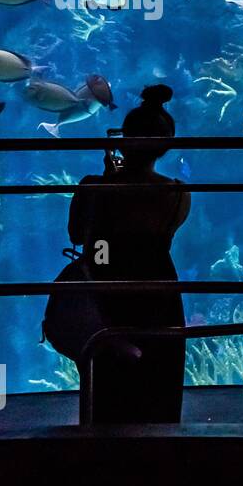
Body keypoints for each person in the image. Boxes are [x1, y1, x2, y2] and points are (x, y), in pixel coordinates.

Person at [66, 84, 190, 423]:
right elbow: (158, 234)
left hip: (108, 292)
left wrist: (108, 181)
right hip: (160, 292)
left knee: (109, 387)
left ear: (122, 139)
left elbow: (77, 233)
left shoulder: (94, 186)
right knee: (158, 386)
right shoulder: (178, 192)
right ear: (164, 146)